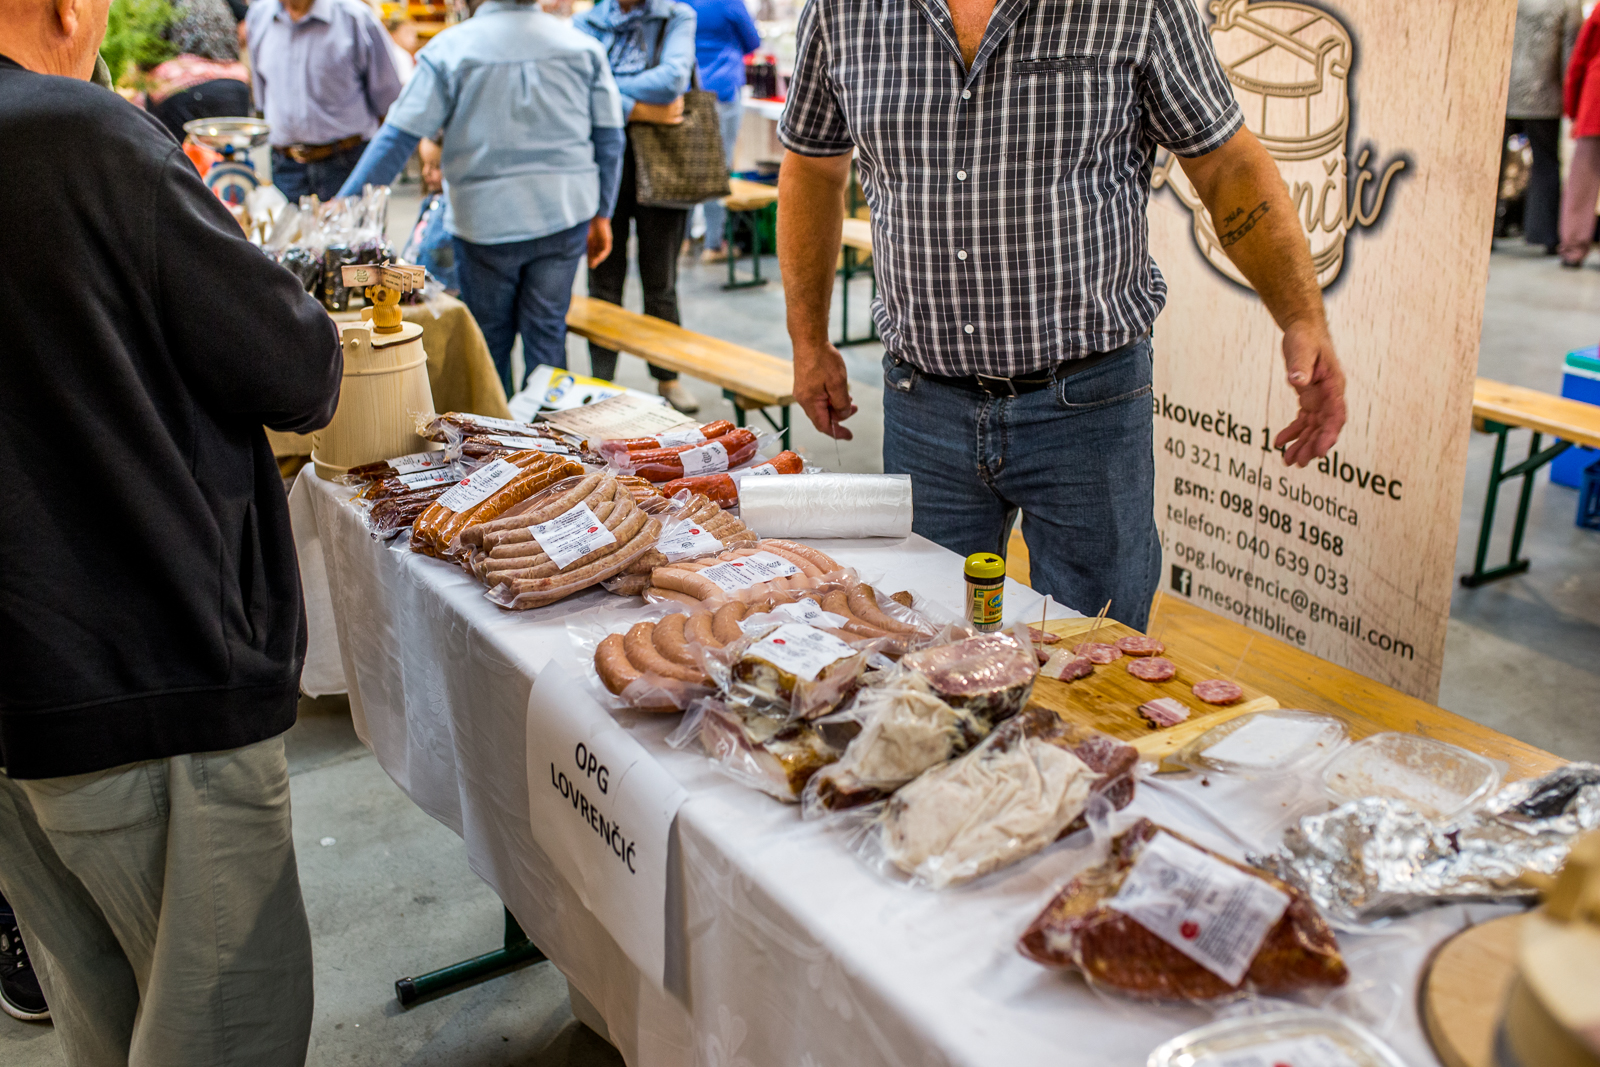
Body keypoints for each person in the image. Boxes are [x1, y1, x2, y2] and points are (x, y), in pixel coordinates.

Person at [0, 0, 343, 1061]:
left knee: (105, 1017)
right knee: (222, 1028)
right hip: (147, 668)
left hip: (27, 698)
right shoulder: (85, 134)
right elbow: (296, 369)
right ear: (70, 9)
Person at [775, 0, 1347, 630]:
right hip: (923, 406)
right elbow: (812, 167)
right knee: (924, 645)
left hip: (1086, 410)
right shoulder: (842, 10)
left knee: (1094, 647)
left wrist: (1301, 318)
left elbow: (1225, 164)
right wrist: (808, 340)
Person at [339, 0, 626, 395]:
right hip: (563, 214)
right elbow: (610, 138)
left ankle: (495, 427)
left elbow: (397, 137)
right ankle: (550, 431)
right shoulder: (582, 47)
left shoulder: (450, 50)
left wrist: (343, 210)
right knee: (547, 334)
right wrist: (602, 214)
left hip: (485, 223)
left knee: (489, 340)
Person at [575, 0, 703, 413]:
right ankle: (600, 382)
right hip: (601, 164)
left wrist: (609, 93)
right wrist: (640, 108)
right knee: (602, 280)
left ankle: (668, 378)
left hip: (665, 164)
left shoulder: (676, 16)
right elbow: (579, 86)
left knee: (661, 280)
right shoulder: (586, 22)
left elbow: (672, 80)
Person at [246, 0, 403, 200]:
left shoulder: (355, 18)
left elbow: (389, 104)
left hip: (345, 162)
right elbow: (262, 95)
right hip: (285, 165)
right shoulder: (260, 16)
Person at [1505, 0, 1581, 253]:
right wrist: (1571, 99)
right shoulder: (1568, 4)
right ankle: (1544, 234)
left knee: (1492, 164)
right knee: (1545, 163)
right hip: (1543, 96)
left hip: (1504, 91)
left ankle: (1486, 228)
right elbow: (1570, 55)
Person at [688, 0, 760, 264]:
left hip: (689, 89)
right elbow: (752, 42)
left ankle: (684, 238)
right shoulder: (728, 2)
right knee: (718, 167)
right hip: (723, 89)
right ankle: (714, 243)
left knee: (687, 165)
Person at [140, 0, 251, 143]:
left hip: (184, 91)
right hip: (233, 87)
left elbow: (147, 50)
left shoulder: (158, 5)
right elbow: (247, 23)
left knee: (179, 152)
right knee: (230, 150)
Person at [1561, 3, 1600, 266]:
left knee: (1583, 179)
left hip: (1595, 102)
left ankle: (1573, 248)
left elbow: (1581, 56)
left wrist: (1573, 107)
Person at [401, 136, 461, 293]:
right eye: (424, 164)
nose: (425, 172)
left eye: (436, 166)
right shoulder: (429, 202)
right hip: (419, 285)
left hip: (443, 289)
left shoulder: (451, 206)